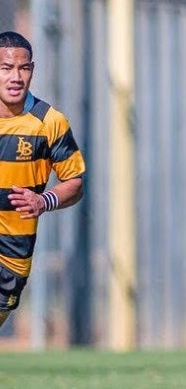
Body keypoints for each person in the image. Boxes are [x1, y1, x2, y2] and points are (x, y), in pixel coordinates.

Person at [0, 31, 85, 329]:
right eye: (6, 68)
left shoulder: (49, 122)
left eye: (23, 69)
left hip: (11, 256)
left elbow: (75, 182)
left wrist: (43, 200)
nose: (15, 77)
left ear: (32, 70)